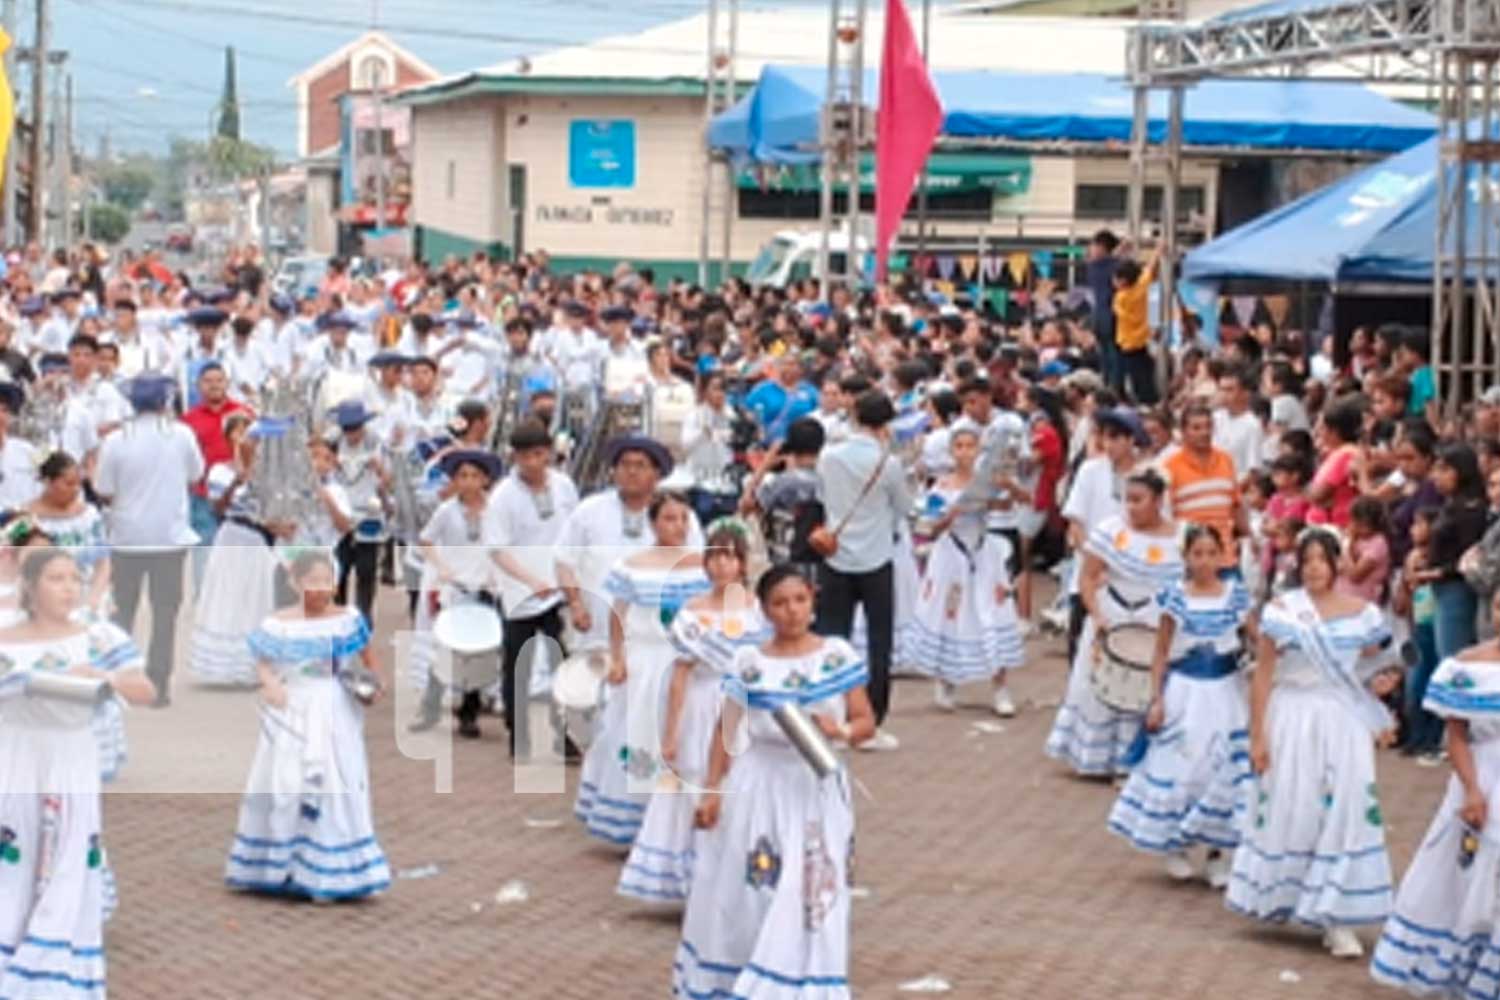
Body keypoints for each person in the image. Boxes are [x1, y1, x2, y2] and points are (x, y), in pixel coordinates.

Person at [673, 566, 874, 999]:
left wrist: (838, 732)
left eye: (800, 600)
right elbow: (725, 734)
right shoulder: (749, 662)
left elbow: (865, 722)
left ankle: (806, 983)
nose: (792, 611)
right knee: (758, 887)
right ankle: (753, 976)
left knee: (812, 889)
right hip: (760, 785)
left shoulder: (835, 655)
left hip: (815, 785)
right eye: (780, 603)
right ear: (765, 610)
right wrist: (712, 791)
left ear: (813, 601)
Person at [1225, 528, 1395, 959]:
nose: (1315, 567)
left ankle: (1338, 915)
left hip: (1343, 719)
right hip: (1293, 716)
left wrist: (1383, 683)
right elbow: (1263, 675)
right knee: (1297, 807)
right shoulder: (1283, 612)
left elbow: (1380, 662)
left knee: (1349, 809)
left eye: (1323, 558)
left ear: (1338, 563)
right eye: (1308, 559)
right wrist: (1257, 735)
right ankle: (1295, 899)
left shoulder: (1365, 615)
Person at [0, 548, 154, 997]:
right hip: (16, 755)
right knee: (16, 851)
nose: (69, 588)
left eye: (74, 578)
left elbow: (143, 688)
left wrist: (101, 679)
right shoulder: (6, 639)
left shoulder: (98, 636)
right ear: (30, 586)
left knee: (69, 853)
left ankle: (51, 970)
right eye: (56, 578)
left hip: (71, 757)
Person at [224, 550, 390, 901]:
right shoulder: (278, 624)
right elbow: (264, 662)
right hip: (292, 707)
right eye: (311, 582)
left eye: (326, 581)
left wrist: (373, 685)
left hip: (334, 706)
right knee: (287, 781)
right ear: (296, 583)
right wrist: (270, 683)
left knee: (335, 779)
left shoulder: (347, 620)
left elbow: (369, 659)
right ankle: (281, 862)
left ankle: (330, 867)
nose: (319, 589)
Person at [618, 518, 765, 903]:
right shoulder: (692, 613)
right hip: (702, 704)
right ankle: (696, 880)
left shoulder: (758, 610)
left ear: (743, 564)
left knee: (741, 786)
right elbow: (680, 676)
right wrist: (670, 733)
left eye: (729, 558)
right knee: (695, 781)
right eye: (714, 558)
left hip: (745, 706)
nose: (721, 566)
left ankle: (736, 877)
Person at [1106, 525, 1254, 886]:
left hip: (1226, 693)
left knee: (1224, 769)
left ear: (1223, 555)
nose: (1204, 561)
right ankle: (1177, 843)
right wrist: (1156, 698)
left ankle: (1219, 852)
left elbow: (1257, 639)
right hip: (1186, 693)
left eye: (1210, 553)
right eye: (1197, 554)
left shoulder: (1236, 597)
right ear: (1186, 557)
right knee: (1184, 768)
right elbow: (1160, 651)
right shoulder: (1175, 597)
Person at [1370, 588, 1500, 994]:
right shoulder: (1466, 667)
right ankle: (1461, 966)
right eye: (1499, 604)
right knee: (1466, 873)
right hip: (1481, 777)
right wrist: (1473, 791)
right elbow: (1456, 735)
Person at [575, 492, 710, 846]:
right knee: (639, 735)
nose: (677, 526)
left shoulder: (702, 567)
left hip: (686, 663)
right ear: (653, 523)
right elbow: (617, 615)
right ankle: (636, 819)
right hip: (646, 661)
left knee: (682, 734)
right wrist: (618, 658)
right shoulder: (632, 565)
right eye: (669, 518)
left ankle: (676, 821)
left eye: (683, 518)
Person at [1045, 470, 1183, 777]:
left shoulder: (1180, 539)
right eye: (1126, 500)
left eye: (1138, 500)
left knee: (1144, 691)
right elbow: (1088, 576)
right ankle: (1097, 759)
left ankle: (1137, 761)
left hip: (1153, 623)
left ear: (1158, 501)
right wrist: (1097, 614)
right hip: (1113, 616)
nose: (1131, 507)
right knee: (1103, 688)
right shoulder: (1110, 530)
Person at [96, 374, 205, 707]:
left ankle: (122, 681)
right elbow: (196, 474)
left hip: (127, 537)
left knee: (123, 612)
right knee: (165, 613)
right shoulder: (181, 435)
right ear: (164, 403)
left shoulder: (115, 440)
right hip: (169, 538)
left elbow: (104, 488)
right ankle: (159, 684)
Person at [814, 389, 911, 751]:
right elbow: (903, 506)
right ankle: (872, 719)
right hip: (876, 557)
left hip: (835, 556)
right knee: (878, 642)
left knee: (831, 639)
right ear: (885, 423)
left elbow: (823, 498)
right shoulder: (889, 464)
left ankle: (830, 715)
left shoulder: (830, 456)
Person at [906, 423, 1025, 716]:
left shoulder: (988, 480)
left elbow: (1015, 503)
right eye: (959, 447)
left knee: (993, 614)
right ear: (950, 451)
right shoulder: (942, 486)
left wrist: (1007, 488)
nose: (965, 452)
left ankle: (1000, 687)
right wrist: (952, 514)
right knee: (950, 614)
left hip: (983, 554)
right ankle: (946, 681)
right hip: (951, 557)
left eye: (970, 446)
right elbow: (927, 528)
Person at [484, 421, 580, 756]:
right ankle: (517, 731)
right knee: (517, 664)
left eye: (539, 454)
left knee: (562, 663)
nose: (532, 463)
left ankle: (567, 734)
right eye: (524, 456)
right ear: (514, 457)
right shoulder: (503, 497)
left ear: (550, 454)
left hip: (556, 590)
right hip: (519, 594)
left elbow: (574, 532)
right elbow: (497, 549)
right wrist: (528, 581)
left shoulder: (564, 487)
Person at [188, 415, 293, 687]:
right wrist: (238, 479)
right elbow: (218, 508)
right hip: (233, 536)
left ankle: (254, 665)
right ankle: (224, 667)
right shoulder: (220, 471)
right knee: (229, 595)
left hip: (258, 540)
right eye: (241, 434)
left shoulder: (272, 474)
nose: (247, 440)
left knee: (256, 597)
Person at [416, 449, 504, 740]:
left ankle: (470, 709)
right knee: (449, 648)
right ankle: (431, 704)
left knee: (480, 649)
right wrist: (441, 567)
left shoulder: (496, 510)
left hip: (486, 587)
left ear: (485, 479)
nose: (468, 482)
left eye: (475, 476)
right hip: (455, 588)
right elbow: (426, 540)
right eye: (462, 476)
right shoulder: (446, 511)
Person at [26, 450, 110, 618]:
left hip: (88, 601)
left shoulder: (89, 515)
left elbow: (103, 561)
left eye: (79, 484)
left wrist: (94, 598)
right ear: (48, 482)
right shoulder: (26, 521)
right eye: (69, 484)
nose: (76, 490)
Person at [1307, 399, 1363, 529]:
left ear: (1334, 431)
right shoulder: (1335, 453)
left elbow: (1318, 495)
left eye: (1321, 427)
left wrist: (1306, 492)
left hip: (1334, 526)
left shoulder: (1346, 455)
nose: (1316, 431)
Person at [1113, 248, 1160, 404]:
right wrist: (1158, 250)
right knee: (1145, 377)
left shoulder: (1121, 298)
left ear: (1123, 281)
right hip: (1143, 340)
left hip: (1127, 344)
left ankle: (1140, 402)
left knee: (1130, 379)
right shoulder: (1142, 286)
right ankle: (1151, 401)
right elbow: (1151, 268)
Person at [745, 353, 818, 446]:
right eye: (784, 364)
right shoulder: (762, 389)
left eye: (792, 364)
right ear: (778, 367)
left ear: (800, 369)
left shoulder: (810, 391)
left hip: (802, 445)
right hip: (769, 444)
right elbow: (747, 410)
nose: (788, 368)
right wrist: (756, 426)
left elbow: (819, 413)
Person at [0, 381, 41, 511]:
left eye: (5, 410)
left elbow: (45, 490)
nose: (0, 416)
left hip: (22, 526)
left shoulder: (27, 450)